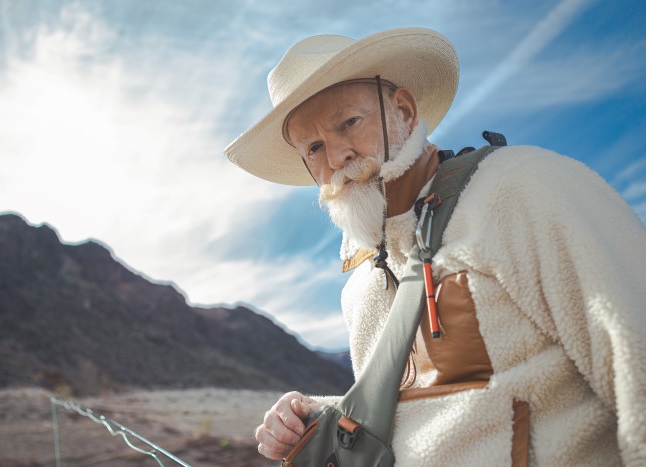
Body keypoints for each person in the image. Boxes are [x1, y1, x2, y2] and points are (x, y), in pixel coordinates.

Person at [224, 27, 646, 466]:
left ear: (404, 110)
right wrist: (316, 414)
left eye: (348, 122)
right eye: (314, 147)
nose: (336, 159)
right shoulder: (361, 287)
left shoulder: (524, 189)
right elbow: (426, 413)